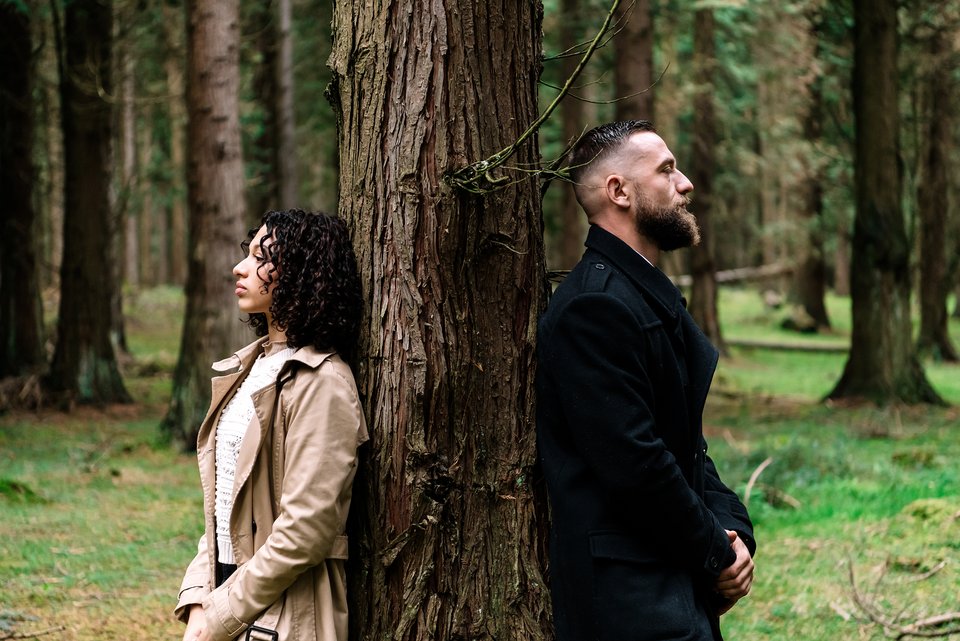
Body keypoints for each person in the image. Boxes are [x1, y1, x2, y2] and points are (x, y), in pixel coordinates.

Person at [536, 120, 756, 641]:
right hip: (629, 599)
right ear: (620, 191)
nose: (686, 184)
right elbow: (636, 464)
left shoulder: (639, 295)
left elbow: (687, 447)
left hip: (668, 576)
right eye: (667, 170)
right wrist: (714, 551)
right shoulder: (594, 308)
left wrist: (735, 534)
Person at [175, 209, 368, 641]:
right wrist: (197, 598)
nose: (240, 267)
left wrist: (222, 611)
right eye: (248, 252)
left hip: (284, 612)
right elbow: (222, 504)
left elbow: (307, 528)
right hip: (226, 592)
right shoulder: (247, 369)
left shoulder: (324, 383)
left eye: (263, 257)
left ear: (302, 273)